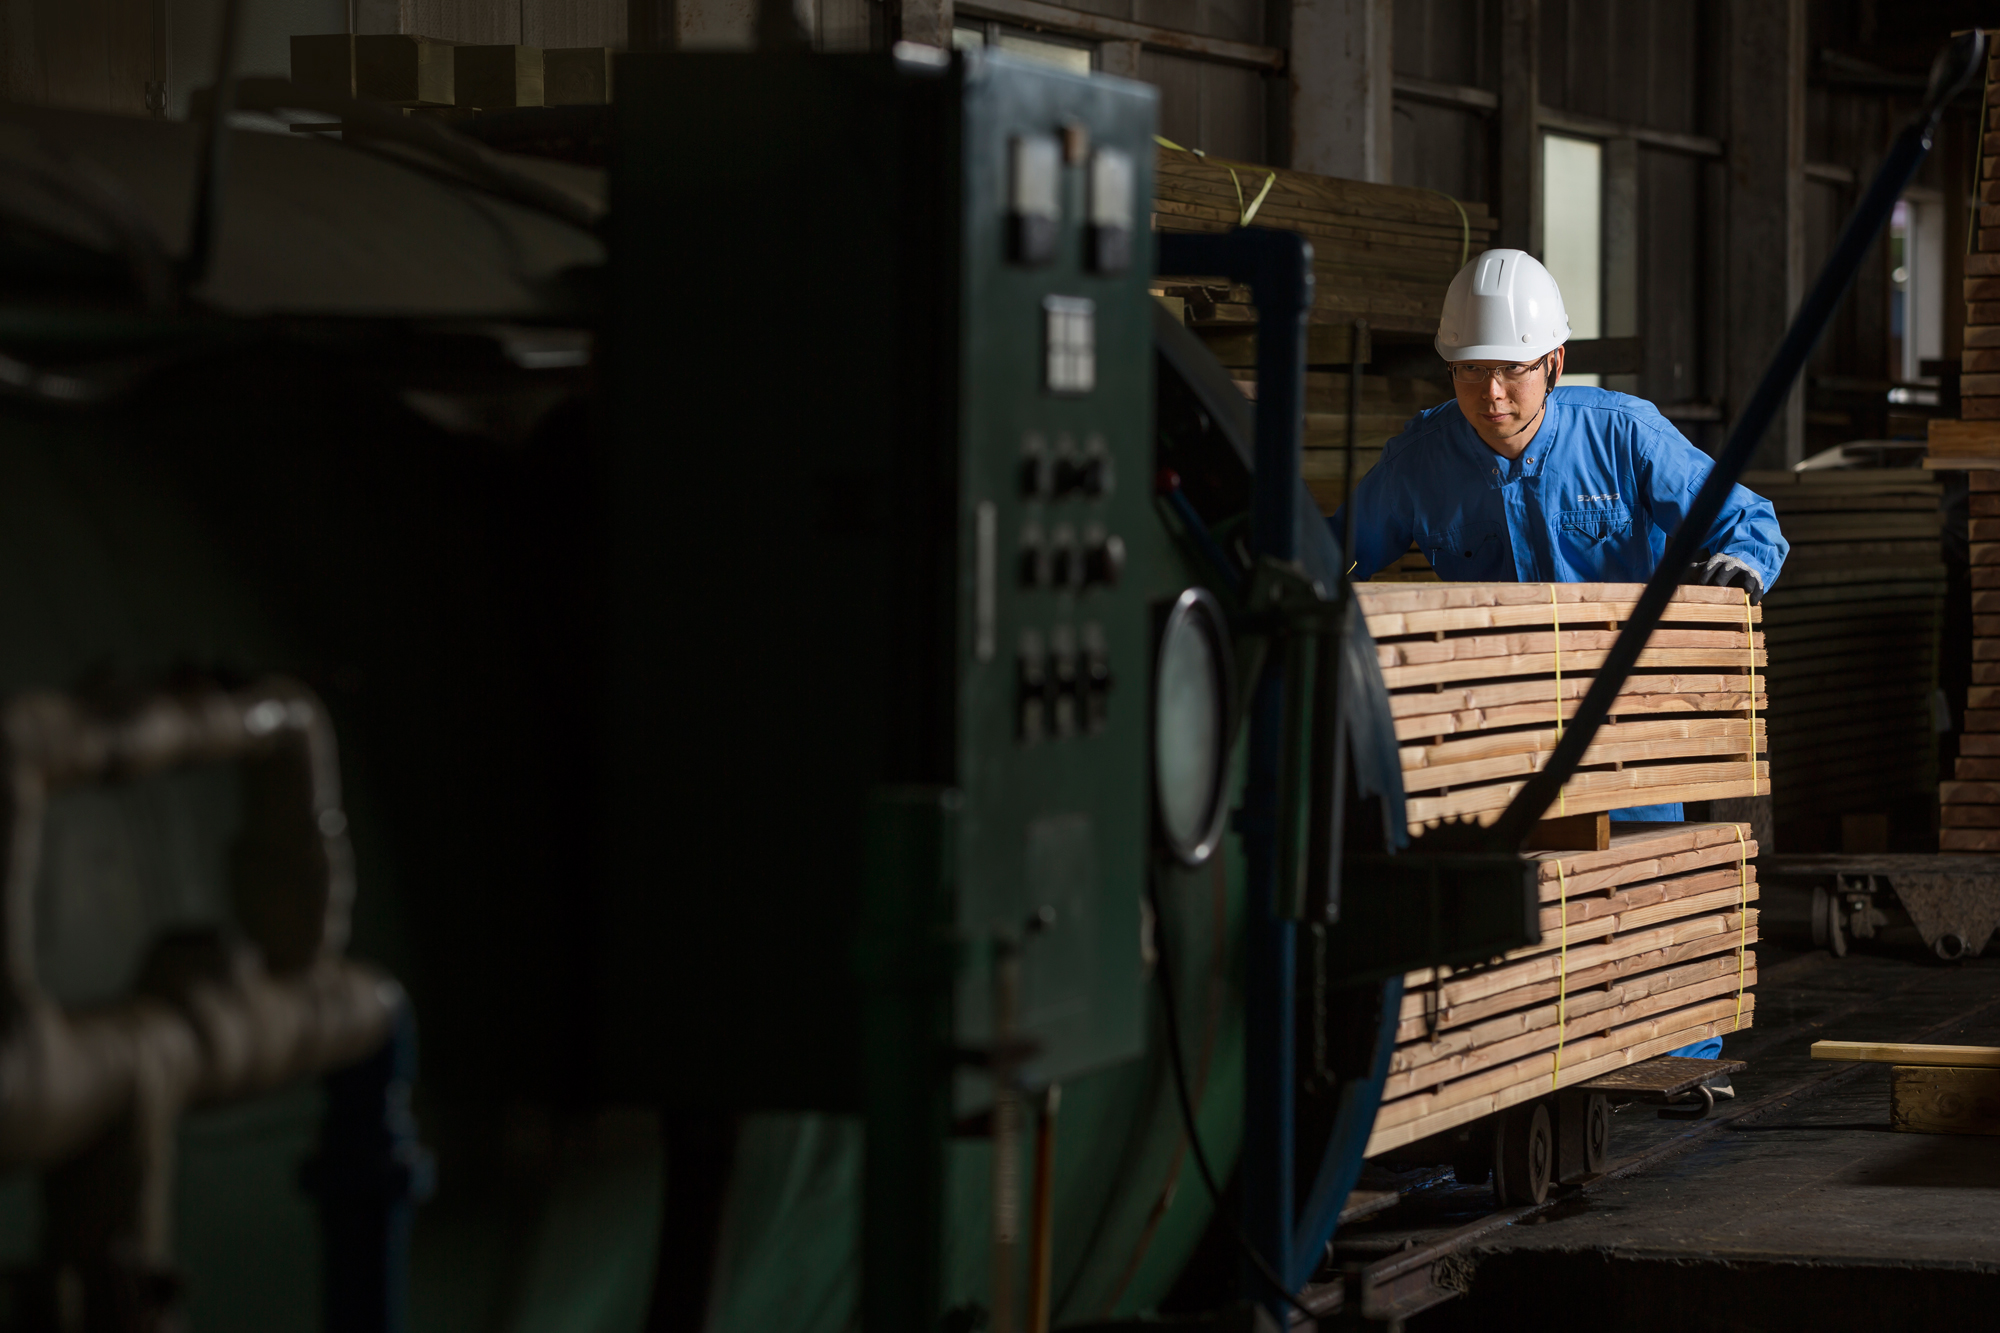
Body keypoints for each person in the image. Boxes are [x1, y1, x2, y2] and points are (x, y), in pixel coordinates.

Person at [1334, 248, 1788, 1077]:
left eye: (1511, 372)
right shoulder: (1422, 462)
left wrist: (1736, 574)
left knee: (1640, 884)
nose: (1492, 396)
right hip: (1493, 722)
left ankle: (1670, 1054)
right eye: (1471, 374)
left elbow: (1748, 523)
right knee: (1506, 897)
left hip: (1631, 720)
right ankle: (1514, 1055)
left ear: (1555, 363)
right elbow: (1330, 554)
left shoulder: (1622, 434)